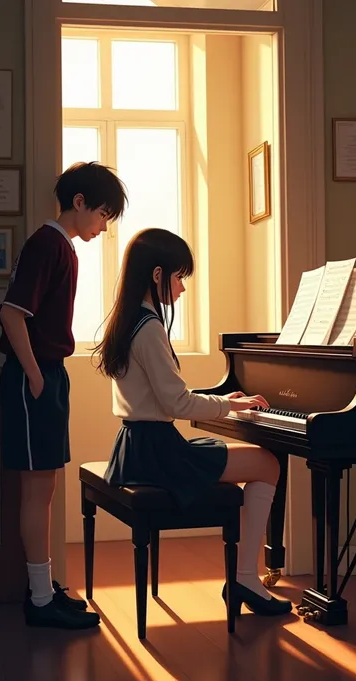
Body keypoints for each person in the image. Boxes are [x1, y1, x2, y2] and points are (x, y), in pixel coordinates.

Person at [93, 228, 292, 617]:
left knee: (244, 463)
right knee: (267, 464)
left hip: (135, 447)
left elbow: (163, 395)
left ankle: (244, 576)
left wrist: (220, 401)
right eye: (178, 276)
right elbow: (178, 403)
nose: (182, 288)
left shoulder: (128, 320)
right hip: (158, 453)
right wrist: (230, 407)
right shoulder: (150, 328)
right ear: (156, 275)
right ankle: (245, 579)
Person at [0, 161, 128, 629]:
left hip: (49, 374)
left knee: (46, 488)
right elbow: (11, 314)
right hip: (35, 376)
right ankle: (37, 599)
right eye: (102, 214)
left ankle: (44, 586)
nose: (104, 225)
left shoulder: (61, 248)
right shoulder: (47, 244)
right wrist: (34, 376)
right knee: (37, 490)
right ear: (79, 203)